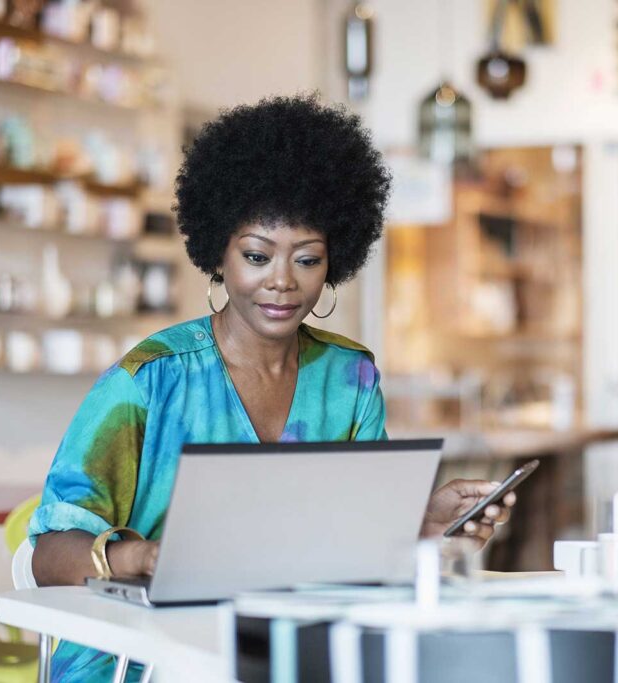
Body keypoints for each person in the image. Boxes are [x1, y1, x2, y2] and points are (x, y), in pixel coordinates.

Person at [28, 94, 515, 681]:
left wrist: (423, 524)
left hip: (283, 654)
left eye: (307, 260)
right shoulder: (149, 380)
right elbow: (48, 554)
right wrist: (146, 557)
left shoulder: (350, 377)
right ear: (220, 255)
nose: (282, 282)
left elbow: (346, 542)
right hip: (140, 660)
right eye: (258, 255)